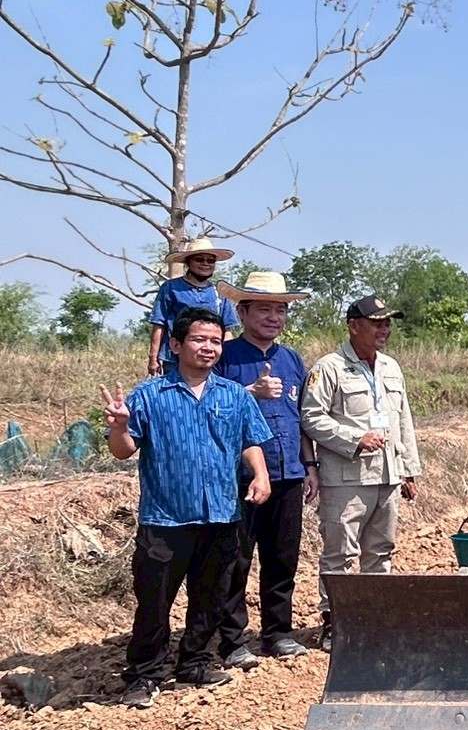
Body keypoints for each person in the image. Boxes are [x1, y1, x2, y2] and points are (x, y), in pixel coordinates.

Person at [100, 307, 272, 708]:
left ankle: (194, 662)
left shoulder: (233, 394)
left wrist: (260, 475)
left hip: (222, 514)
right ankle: (145, 674)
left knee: (211, 596)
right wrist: (121, 425)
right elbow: (123, 452)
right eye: (199, 339)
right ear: (176, 345)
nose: (208, 347)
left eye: (215, 340)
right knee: (155, 600)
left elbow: (250, 441)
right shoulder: (148, 395)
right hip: (166, 518)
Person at [300, 294, 421, 652]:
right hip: (346, 478)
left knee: (381, 550)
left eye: (388, 323)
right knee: (339, 553)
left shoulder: (391, 368)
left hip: (387, 475)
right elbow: (310, 417)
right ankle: (335, 621)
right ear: (354, 326)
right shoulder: (329, 368)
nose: (384, 329)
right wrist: (354, 438)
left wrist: (409, 469)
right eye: (377, 322)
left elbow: (403, 420)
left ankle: (373, 617)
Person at [212, 273, 316, 667]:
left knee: (282, 558)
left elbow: (300, 418)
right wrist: (248, 393)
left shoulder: (291, 360)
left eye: (281, 309)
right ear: (242, 311)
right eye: (265, 309)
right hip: (239, 477)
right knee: (235, 559)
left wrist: (310, 465)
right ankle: (232, 640)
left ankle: (278, 633)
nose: (274, 317)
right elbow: (209, 406)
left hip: (288, 472)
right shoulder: (224, 356)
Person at [147, 238, 239, 377]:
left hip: (210, 358)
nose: (205, 264)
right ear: (188, 262)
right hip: (175, 358)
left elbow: (227, 330)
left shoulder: (219, 293)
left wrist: (228, 359)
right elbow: (159, 324)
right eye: (199, 260)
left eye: (210, 261)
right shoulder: (171, 288)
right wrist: (153, 358)